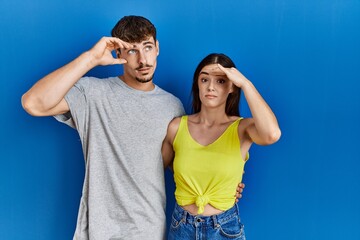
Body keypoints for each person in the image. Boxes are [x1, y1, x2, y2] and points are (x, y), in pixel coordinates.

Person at [21, 16, 244, 239]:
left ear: (157, 48)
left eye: (147, 47)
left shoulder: (172, 106)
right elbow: (33, 103)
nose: (142, 60)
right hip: (98, 231)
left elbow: (182, 164)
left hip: (148, 230)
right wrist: (90, 59)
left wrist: (224, 184)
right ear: (118, 53)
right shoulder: (92, 94)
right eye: (131, 50)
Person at [162, 53, 281, 239]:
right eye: (204, 79)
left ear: (232, 86)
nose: (210, 87)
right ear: (197, 84)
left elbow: (272, 134)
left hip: (224, 229)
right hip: (181, 227)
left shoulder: (242, 129)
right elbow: (155, 171)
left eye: (220, 81)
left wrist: (246, 84)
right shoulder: (177, 127)